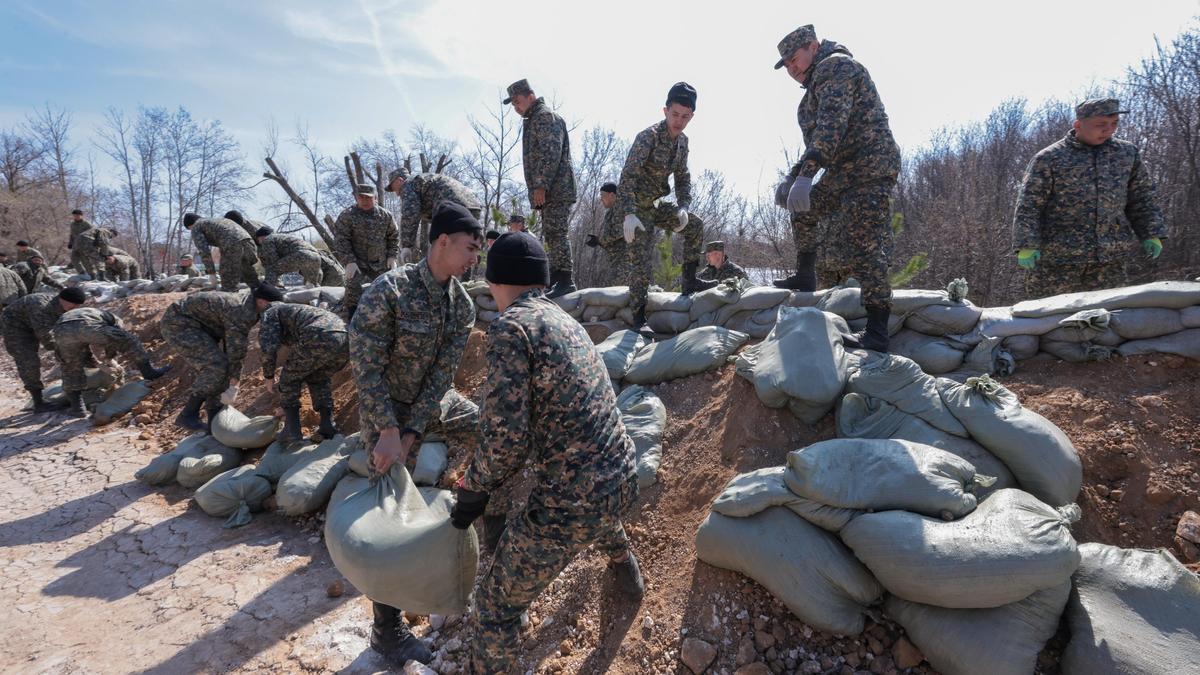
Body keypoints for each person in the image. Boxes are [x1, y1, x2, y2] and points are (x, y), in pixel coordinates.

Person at [451, 231, 644, 673]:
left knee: (493, 610)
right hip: (622, 478)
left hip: (574, 504)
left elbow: (504, 440)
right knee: (596, 497)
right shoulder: (563, 319)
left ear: (495, 280)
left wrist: (474, 489)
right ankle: (625, 569)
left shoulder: (510, 328)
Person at [347, 201, 484, 668]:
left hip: (417, 412)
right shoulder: (392, 289)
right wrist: (387, 430)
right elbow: (366, 363)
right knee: (388, 506)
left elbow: (441, 378)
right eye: (469, 248)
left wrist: (411, 431)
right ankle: (386, 631)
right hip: (379, 408)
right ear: (441, 241)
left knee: (408, 499)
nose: (473, 259)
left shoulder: (460, 305)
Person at [773, 24, 901, 352]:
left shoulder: (837, 67)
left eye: (794, 59)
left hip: (870, 165)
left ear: (814, 46)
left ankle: (876, 331)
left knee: (865, 242)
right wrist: (794, 178)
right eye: (785, 64)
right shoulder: (814, 87)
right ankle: (805, 274)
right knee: (802, 207)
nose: (791, 68)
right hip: (843, 171)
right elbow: (819, 141)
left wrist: (805, 176)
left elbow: (831, 126)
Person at [1013, 98, 1166, 298]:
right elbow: (1029, 205)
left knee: (1107, 320)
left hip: (1110, 260)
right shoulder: (1050, 158)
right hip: (1058, 261)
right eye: (1100, 125)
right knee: (1052, 320)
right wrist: (1026, 244)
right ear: (1078, 125)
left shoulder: (1127, 154)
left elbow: (1142, 197)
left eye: (1114, 124)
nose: (1109, 130)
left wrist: (1151, 232)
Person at [616, 82, 706, 324]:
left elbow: (683, 177)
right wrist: (628, 213)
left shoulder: (683, 142)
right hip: (635, 209)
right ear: (665, 111)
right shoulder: (648, 138)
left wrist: (684, 205)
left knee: (696, 226)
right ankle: (638, 317)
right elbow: (627, 177)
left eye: (685, 117)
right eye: (675, 114)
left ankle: (689, 282)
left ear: (692, 117)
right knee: (641, 262)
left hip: (656, 206)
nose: (679, 121)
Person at [159, 285, 282, 431]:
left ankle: (214, 420)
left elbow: (231, 344)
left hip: (201, 326)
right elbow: (236, 348)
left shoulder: (251, 305)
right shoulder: (241, 310)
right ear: (262, 302)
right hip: (178, 324)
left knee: (223, 368)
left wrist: (231, 377)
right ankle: (188, 414)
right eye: (272, 306)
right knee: (215, 366)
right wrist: (235, 381)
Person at [505, 78, 578, 298]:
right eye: (514, 105)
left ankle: (566, 280)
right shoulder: (534, 118)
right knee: (552, 233)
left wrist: (541, 185)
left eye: (518, 102)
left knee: (557, 232)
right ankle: (557, 275)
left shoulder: (545, 117)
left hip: (556, 188)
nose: (517, 108)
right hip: (550, 190)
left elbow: (550, 153)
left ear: (531, 96)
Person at [51, 306, 170, 417]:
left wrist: (100, 362)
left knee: (71, 366)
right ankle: (149, 372)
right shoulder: (114, 319)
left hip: (60, 331)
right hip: (84, 325)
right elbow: (116, 339)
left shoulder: (89, 313)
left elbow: (90, 350)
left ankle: (77, 408)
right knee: (129, 340)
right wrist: (109, 358)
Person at [259, 303, 348, 443]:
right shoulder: (298, 310)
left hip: (318, 334)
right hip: (345, 339)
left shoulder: (270, 313)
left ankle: (291, 430)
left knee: (289, 378)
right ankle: (327, 425)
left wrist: (268, 375)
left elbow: (268, 346)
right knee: (318, 377)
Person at [1, 288, 86, 413]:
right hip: (14, 326)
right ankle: (38, 402)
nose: (75, 307)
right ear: (62, 300)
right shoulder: (41, 307)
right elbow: (48, 339)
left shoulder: (67, 307)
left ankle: (74, 401)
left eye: (78, 305)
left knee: (68, 350)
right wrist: (67, 350)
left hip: (33, 322)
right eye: (73, 304)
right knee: (28, 360)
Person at [385, 168, 482, 263]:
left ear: (399, 180)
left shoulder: (408, 184)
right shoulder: (423, 180)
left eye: (394, 188)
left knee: (440, 247)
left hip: (451, 209)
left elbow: (410, 214)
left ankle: (441, 277)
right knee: (465, 245)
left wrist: (407, 245)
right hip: (473, 207)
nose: (397, 194)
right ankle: (462, 276)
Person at [332, 183, 400, 320]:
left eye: (368, 198)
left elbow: (394, 236)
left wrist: (392, 256)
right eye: (361, 197)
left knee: (390, 290)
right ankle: (353, 322)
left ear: (375, 198)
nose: (365, 201)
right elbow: (341, 239)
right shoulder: (347, 216)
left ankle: (389, 321)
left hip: (381, 262)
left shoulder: (385, 216)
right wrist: (349, 261)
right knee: (352, 290)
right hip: (357, 263)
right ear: (356, 197)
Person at [183, 213, 261, 292]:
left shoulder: (196, 226)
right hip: (248, 241)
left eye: (189, 229)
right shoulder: (214, 220)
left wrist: (211, 273)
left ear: (190, 225)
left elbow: (204, 251)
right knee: (249, 274)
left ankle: (230, 300)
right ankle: (259, 295)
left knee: (228, 280)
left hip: (231, 243)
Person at [584, 182, 628, 286]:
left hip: (625, 261)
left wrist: (599, 240)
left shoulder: (621, 209)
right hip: (616, 260)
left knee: (621, 291)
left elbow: (618, 232)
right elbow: (613, 240)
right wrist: (599, 242)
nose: (601, 199)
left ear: (612, 195)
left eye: (602, 196)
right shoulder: (611, 211)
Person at [254, 226, 327, 287]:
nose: (259, 243)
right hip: (316, 257)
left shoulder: (267, 239)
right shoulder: (282, 237)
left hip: (301, 255)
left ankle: (267, 293)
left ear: (262, 237)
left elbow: (272, 260)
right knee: (311, 286)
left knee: (272, 269)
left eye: (258, 240)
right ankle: (316, 300)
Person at [66, 209, 99, 278]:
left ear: (81, 216)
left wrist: (95, 242)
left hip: (84, 245)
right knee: (73, 258)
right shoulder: (72, 224)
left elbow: (95, 232)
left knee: (85, 261)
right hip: (75, 244)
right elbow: (72, 234)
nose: (76, 217)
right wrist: (70, 243)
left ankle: (92, 275)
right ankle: (82, 273)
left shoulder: (86, 223)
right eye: (74, 215)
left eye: (78, 215)